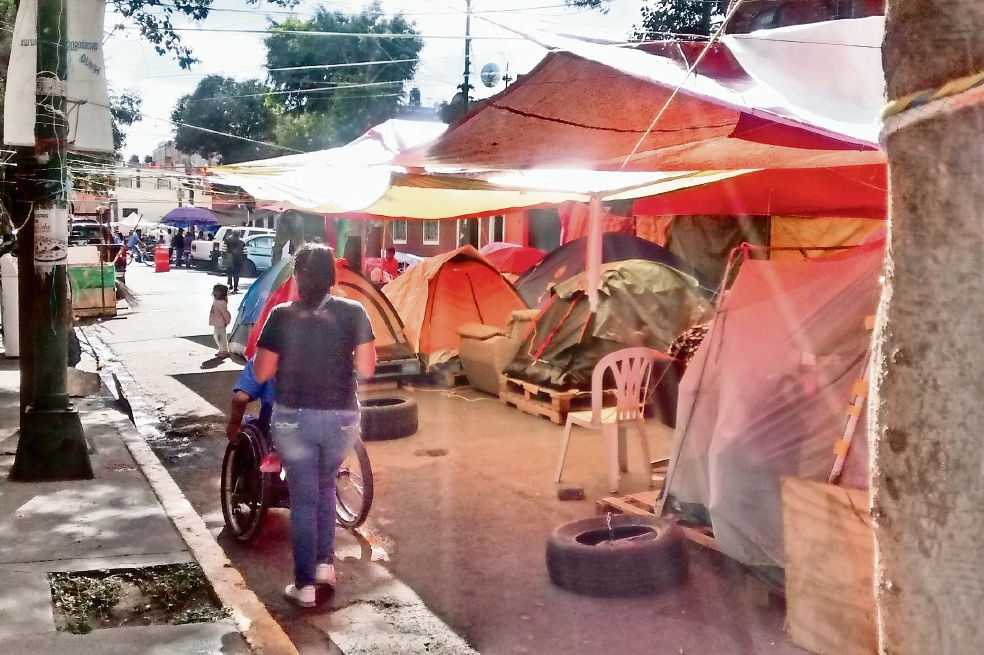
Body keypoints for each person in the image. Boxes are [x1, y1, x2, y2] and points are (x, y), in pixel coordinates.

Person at [253, 244, 376, 608]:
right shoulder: (354, 312)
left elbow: (262, 372)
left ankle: (304, 584)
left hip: (294, 417)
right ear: (332, 277)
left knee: (305, 499)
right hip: (341, 417)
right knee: (325, 488)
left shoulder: (280, 316)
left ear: (297, 278)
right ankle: (324, 565)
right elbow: (367, 369)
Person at [226, 357, 280, 473]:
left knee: (246, 423)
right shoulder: (323, 356)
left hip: (275, 426)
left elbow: (241, 398)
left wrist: (233, 427)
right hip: (317, 424)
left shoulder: (264, 358)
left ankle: (245, 481)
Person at [209, 283, 232, 358]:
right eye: (215, 291)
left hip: (220, 323)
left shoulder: (221, 303)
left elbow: (225, 313)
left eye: (218, 291)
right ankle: (221, 350)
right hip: (217, 323)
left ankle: (224, 350)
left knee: (221, 337)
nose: (215, 293)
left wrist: (227, 321)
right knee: (216, 336)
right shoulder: (217, 302)